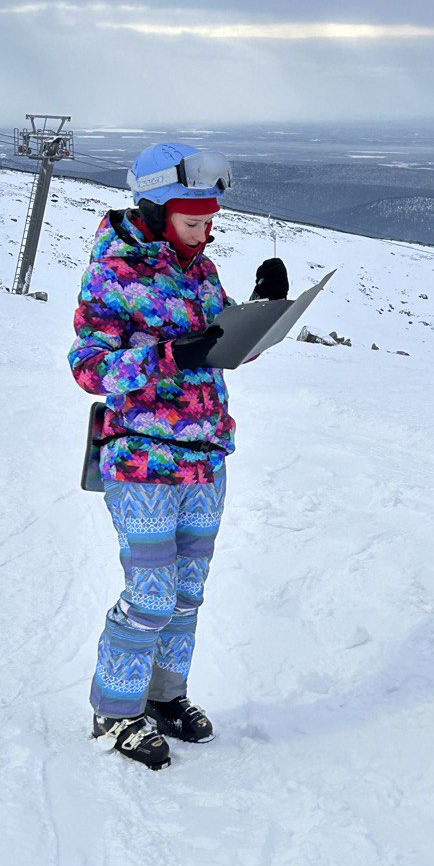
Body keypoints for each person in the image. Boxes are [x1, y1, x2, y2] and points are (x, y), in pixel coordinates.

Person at [69, 142, 289, 769]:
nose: (206, 232)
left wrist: (264, 309)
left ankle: (165, 697)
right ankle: (115, 711)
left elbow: (224, 349)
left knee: (187, 592)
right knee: (152, 594)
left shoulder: (201, 271)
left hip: (204, 454)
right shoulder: (114, 273)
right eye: (194, 221)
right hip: (140, 457)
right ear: (158, 211)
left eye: (210, 221)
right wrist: (171, 356)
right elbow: (89, 368)